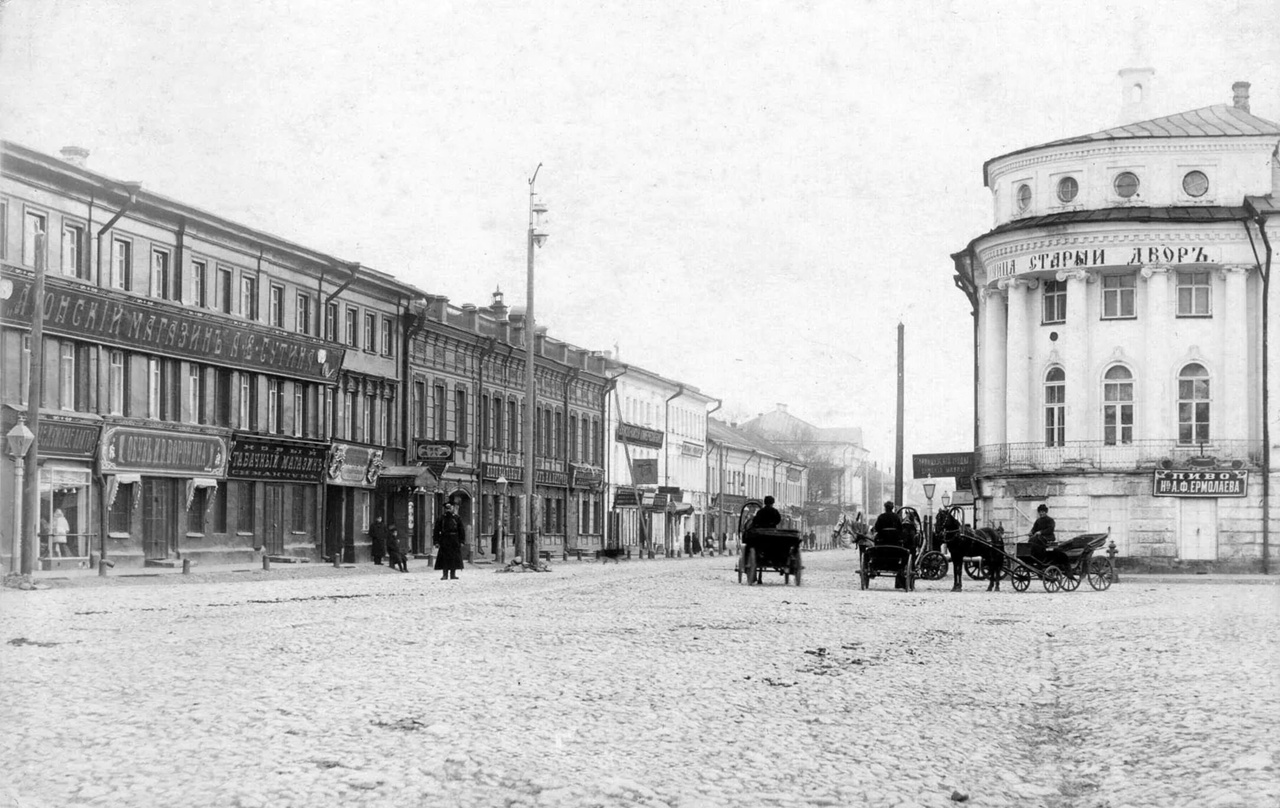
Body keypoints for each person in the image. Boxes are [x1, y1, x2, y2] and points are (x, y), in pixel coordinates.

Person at [433, 503, 465, 580]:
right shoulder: (441, 518)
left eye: (450, 508)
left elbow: (461, 530)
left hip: (454, 540)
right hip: (444, 540)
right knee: (444, 558)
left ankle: (453, 574)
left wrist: (462, 541)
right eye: (447, 509)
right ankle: (445, 574)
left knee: (454, 558)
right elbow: (436, 530)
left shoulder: (457, 518)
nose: (448, 510)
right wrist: (436, 541)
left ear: (452, 508)